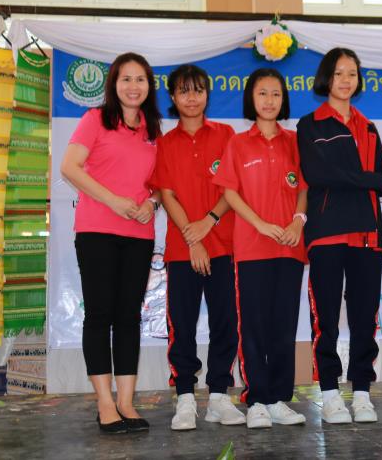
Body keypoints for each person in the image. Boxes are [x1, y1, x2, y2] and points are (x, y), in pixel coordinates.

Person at [296, 48, 382, 424]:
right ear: (326, 78)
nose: (346, 80)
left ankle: (361, 392)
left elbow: (379, 179)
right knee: (325, 318)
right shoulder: (311, 125)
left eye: (352, 74)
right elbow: (321, 174)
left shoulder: (367, 126)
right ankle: (329, 393)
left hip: (368, 236)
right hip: (327, 233)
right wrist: (376, 179)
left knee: (364, 318)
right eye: (339, 73)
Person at [60, 52, 162, 434]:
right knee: (100, 315)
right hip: (97, 231)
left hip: (139, 234)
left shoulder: (153, 129)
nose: (133, 87)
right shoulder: (95, 119)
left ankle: (126, 403)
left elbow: (159, 183)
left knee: (128, 317)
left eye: (140, 79)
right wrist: (114, 201)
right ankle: (105, 403)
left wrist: (152, 203)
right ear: (114, 84)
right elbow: (69, 168)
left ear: (149, 86)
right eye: (126, 79)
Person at [212, 68, 308, 429]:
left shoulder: (295, 141)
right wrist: (261, 224)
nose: (269, 101)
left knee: (284, 325)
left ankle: (279, 398)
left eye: (276, 94)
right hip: (252, 247)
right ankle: (256, 400)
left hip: (290, 248)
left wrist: (298, 221)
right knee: (253, 326)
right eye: (262, 93)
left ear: (284, 99)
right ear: (251, 99)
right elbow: (229, 192)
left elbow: (304, 188)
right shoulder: (238, 143)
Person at [152, 64, 245, 431]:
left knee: (226, 322)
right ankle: (186, 398)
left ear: (207, 94)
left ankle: (219, 396)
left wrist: (209, 222)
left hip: (224, 245)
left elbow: (232, 188)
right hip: (181, 250)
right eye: (183, 91)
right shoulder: (164, 143)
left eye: (198, 90)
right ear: (173, 97)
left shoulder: (226, 135)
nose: (191, 98)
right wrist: (194, 239)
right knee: (182, 325)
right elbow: (167, 194)